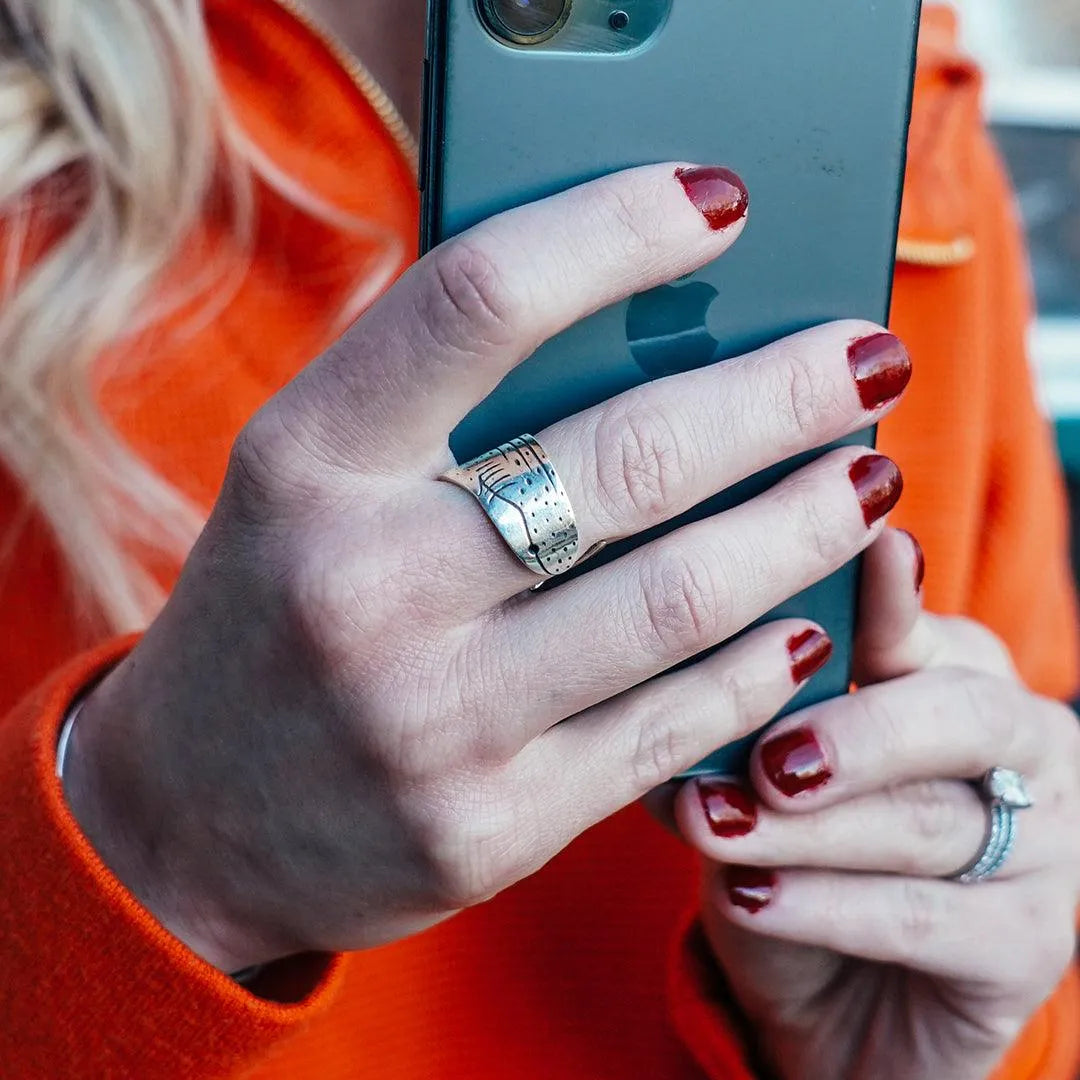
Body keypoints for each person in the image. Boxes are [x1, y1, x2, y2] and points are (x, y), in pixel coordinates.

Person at [1, 1, 1078, 1077]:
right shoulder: (31, 179)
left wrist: (956, 1040)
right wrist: (160, 851)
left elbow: (1025, 826)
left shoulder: (910, 126)